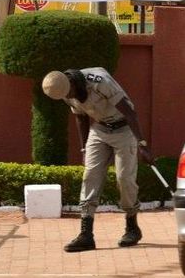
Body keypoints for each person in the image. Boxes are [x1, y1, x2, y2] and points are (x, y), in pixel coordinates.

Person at [41, 68, 153, 253]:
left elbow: (130, 113)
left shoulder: (100, 82)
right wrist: (84, 148)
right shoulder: (63, 89)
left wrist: (142, 145)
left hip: (124, 129)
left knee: (124, 178)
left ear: (73, 83)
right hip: (99, 131)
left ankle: (132, 226)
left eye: (69, 93)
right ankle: (86, 235)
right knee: (90, 175)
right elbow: (80, 117)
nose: (69, 96)